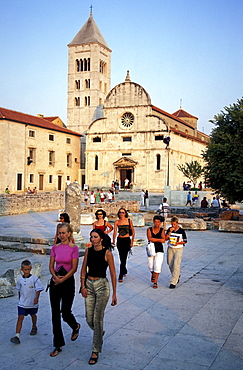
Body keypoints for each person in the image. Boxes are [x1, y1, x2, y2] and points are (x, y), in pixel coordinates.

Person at [80, 229, 117, 365]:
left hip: (102, 285)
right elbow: (83, 269)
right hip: (89, 284)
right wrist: (82, 286)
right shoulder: (88, 251)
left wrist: (114, 294)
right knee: (89, 318)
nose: (92, 239)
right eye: (91, 236)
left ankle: (95, 350)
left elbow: (113, 274)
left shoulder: (107, 253)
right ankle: (99, 333)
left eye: (95, 237)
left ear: (101, 239)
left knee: (98, 317)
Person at [49, 223, 80, 357]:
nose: (61, 235)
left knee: (65, 312)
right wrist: (55, 277)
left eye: (63, 233)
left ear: (69, 234)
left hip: (67, 281)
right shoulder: (54, 248)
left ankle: (75, 326)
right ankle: (58, 344)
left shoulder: (74, 248)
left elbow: (74, 268)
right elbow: (51, 266)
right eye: (59, 233)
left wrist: (63, 279)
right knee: (55, 314)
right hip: (56, 281)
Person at [10, 260, 44, 344]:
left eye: (28, 269)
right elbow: (18, 290)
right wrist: (20, 299)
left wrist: (36, 298)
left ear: (31, 269)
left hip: (32, 302)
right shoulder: (20, 280)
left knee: (33, 315)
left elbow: (38, 289)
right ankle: (17, 335)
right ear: (22, 269)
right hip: (22, 303)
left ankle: (34, 326)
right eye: (25, 269)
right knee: (20, 318)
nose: (27, 271)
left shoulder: (35, 279)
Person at [113, 207, 135, 282]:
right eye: (120, 212)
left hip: (126, 239)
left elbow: (133, 231)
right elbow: (115, 232)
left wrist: (132, 241)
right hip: (120, 240)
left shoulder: (129, 221)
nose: (121, 214)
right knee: (121, 256)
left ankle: (121, 274)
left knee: (124, 257)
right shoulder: (117, 222)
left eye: (123, 212)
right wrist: (113, 240)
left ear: (125, 213)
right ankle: (124, 269)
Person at [165, 216, 187, 289]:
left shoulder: (181, 231)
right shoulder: (169, 229)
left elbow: (185, 241)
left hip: (178, 248)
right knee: (169, 263)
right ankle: (176, 275)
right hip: (170, 248)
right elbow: (165, 238)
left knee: (176, 264)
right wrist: (170, 231)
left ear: (177, 223)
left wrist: (178, 243)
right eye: (172, 224)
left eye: (174, 224)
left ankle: (173, 281)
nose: (173, 226)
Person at [147, 216, 165, 289]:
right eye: (155, 222)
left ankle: (155, 282)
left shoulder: (162, 230)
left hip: (159, 249)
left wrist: (154, 239)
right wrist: (159, 239)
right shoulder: (149, 229)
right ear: (153, 222)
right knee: (150, 265)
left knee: (157, 265)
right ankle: (153, 274)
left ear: (160, 223)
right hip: (151, 248)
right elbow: (149, 238)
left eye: (158, 222)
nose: (157, 223)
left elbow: (163, 240)